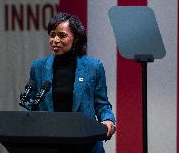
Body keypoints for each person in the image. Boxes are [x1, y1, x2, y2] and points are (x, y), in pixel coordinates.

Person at [25, 12, 116, 153]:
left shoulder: (94, 67)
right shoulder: (39, 67)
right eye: (52, 34)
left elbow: (102, 104)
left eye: (62, 35)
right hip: (50, 144)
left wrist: (108, 120)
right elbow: (31, 104)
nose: (55, 40)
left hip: (85, 145)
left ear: (76, 38)